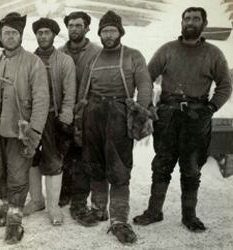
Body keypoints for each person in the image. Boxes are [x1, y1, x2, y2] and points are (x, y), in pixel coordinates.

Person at [133, 7, 232, 232]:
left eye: (196, 19)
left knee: (191, 168)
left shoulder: (213, 53)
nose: (190, 22)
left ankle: (190, 216)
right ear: (181, 23)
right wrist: (148, 104)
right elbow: (146, 77)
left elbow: (225, 85)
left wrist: (211, 107)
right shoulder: (167, 50)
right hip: (167, 115)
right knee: (162, 164)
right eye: (187, 18)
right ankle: (154, 211)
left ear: (204, 24)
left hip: (197, 117)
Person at [77, 10, 153, 243]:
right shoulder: (93, 58)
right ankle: (99, 209)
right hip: (93, 114)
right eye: (104, 31)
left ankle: (119, 219)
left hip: (119, 114)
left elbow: (145, 85)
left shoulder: (133, 56)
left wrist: (140, 111)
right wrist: (79, 117)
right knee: (95, 164)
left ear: (120, 32)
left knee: (119, 168)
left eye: (112, 31)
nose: (108, 35)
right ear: (99, 34)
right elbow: (83, 91)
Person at [0, 12, 49, 244]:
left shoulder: (33, 63)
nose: (10, 37)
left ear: (20, 36)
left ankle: (15, 221)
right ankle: (3, 212)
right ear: (0, 35)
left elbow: (41, 100)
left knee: (18, 177)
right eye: (6, 33)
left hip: (20, 133)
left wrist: (34, 133)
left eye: (14, 33)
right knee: (0, 174)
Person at [23, 17, 76, 226]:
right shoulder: (28, 60)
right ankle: (37, 200)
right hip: (31, 117)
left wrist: (65, 119)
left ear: (53, 35)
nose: (43, 36)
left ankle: (53, 206)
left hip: (54, 117)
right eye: (39, 33)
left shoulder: (64, 61)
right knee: (31, 158)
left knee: (53, 161)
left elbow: (70, 93)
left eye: (47, 32)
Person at [58, 11, 102, 224]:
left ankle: (79, 201)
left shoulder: (97, 52)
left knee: (85, 158)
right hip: (64, 112)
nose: (74, 29)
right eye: (71, 25)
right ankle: (64, 191)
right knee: (65, 155)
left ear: (87, 28)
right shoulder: (59, 52)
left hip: (88, 114)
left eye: (78, 25)